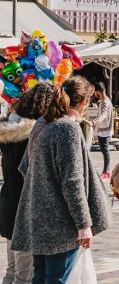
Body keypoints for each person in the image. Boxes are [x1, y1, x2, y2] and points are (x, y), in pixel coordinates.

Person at [12, 76, 110, 283]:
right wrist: (84, 225)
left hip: (37, 217)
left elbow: (25, 168)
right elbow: (72, 181)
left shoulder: (42, 123)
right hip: (60, 222)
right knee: (56, 278)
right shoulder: (67, 129)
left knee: (40, 276)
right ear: (84, 101)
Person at [1, 83, 55, 284]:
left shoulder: (9, 131)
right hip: (25, 206)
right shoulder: (33, 134)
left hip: (8, 200)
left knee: (13, 269)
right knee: (25, 274)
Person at [91, 83, 114, 181]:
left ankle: (106, 172)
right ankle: (106, 171)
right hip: (104, 130)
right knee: (105, 151)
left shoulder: (105, 102)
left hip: (104, 131)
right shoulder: (105, 100)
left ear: (98, 91)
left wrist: (95, 121)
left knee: (105, 152)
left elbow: (103, 115)